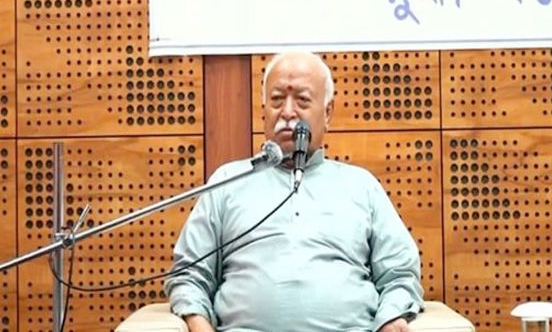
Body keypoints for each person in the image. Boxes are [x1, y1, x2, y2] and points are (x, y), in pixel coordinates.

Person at [164, 51, 424, 332]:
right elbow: (189, 275)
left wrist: (391, 318)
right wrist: (199, 324)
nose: (287, 112)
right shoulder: (228, 182)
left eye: (302, 100)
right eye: (277, 100)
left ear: (327, 113)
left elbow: (400, 274)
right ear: (264, 109)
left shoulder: (361, 186)